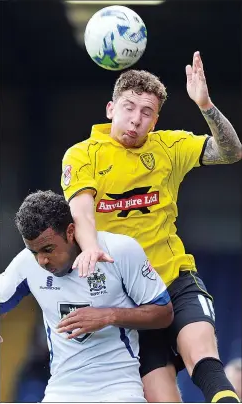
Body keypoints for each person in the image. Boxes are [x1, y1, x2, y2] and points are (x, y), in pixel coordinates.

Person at [61, 51, 242, 403]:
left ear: (155, 120)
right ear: (111, 109)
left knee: (206, 365)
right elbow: (81, 210)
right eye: (129, 108)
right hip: (130, 301)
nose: (136, 120)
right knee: (163, 398)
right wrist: (90, 245)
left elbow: (232, 152)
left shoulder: (170, 147)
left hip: (174, 279)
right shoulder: (82, 155)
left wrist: (204, 105)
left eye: (147, 112)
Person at [0, 190, 173, 403]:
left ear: (70, 231)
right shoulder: (27, 263)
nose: (42, 261)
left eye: (48, 249)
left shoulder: (119, 250)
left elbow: (164, 313)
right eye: (34, 252)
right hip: (61, 391)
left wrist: (108, 316)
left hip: (120, 390)